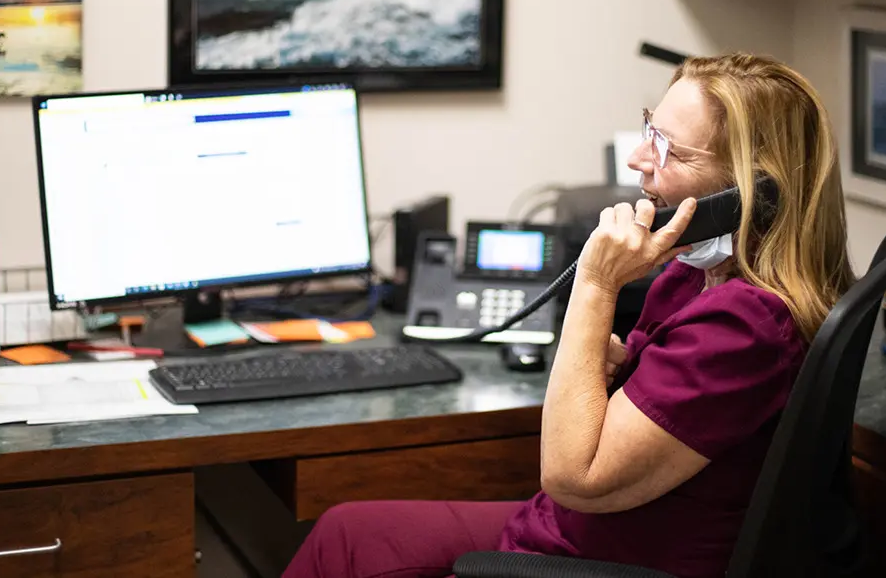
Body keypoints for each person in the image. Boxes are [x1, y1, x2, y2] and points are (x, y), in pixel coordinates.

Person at [281, 52, 856, 578]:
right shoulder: (692, 275)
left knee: (344, 551)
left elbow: (571, 477)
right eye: (649, 128)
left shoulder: (744, 326)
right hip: (571, 531)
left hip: (601, 559)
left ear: (753, 191)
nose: (637, 158)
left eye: (669, 149)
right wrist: (610, 366)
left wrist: (596, 281)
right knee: (344, 531)